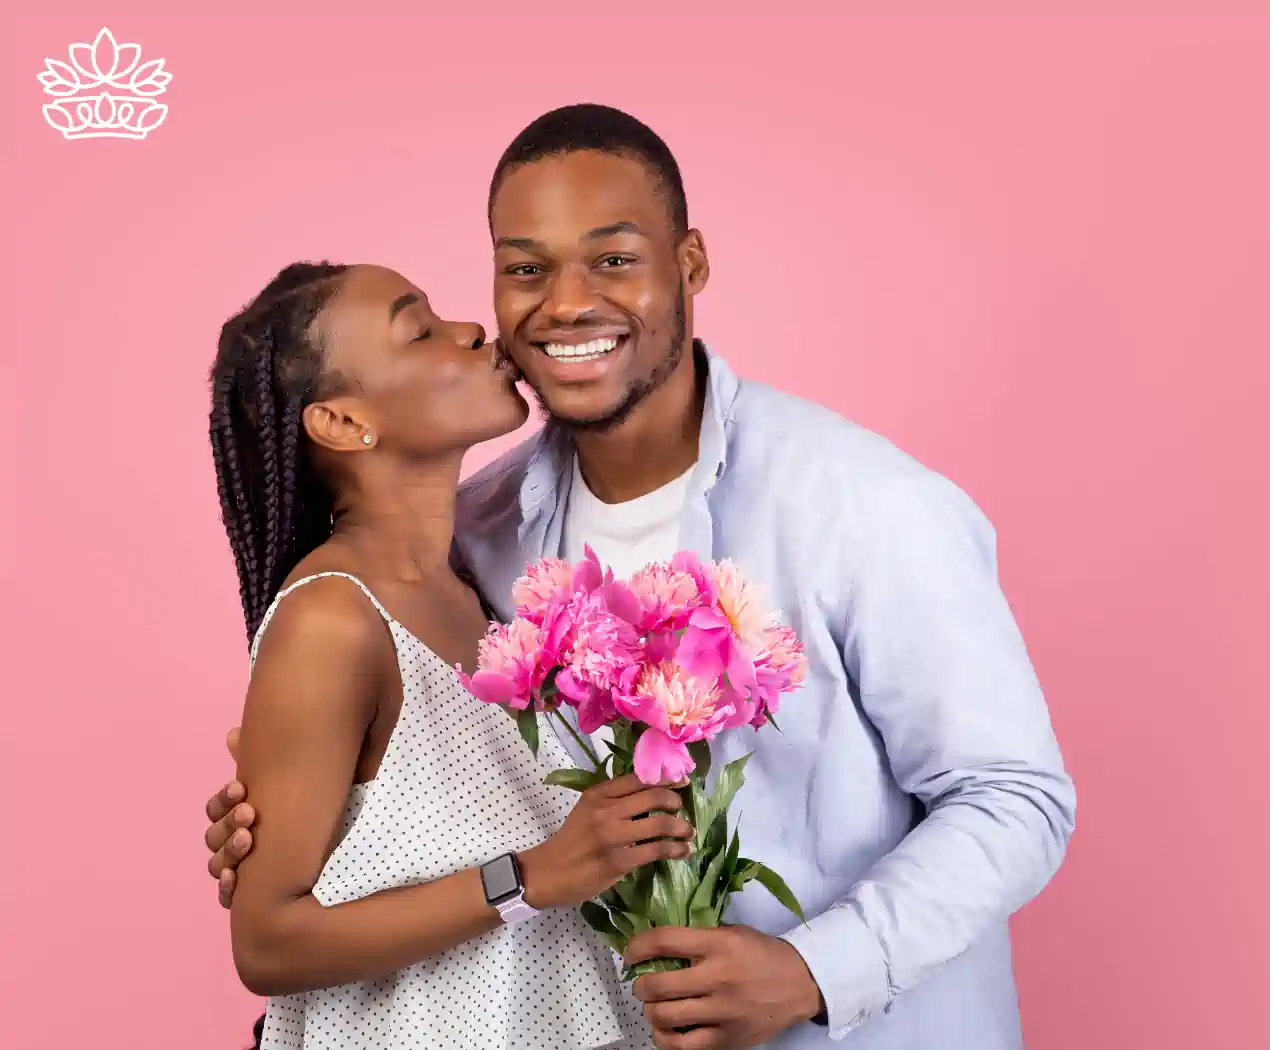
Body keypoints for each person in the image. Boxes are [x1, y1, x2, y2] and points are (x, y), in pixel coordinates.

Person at [206, 104, 1077, 1050]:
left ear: (690, 265)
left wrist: (813, 972)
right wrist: (304, 831)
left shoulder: (864, 505)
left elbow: (1012, 797)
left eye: (614, 259)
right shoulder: (476, 537)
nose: (568, 303)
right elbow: (402, 815)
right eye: (526, 269)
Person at [206, 260, 694, 1049]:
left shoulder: (478, 585)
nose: (471, 332)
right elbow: (266, 941)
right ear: (341, 423)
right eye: (419, 331)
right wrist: (532, 875)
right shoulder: (333, 618)